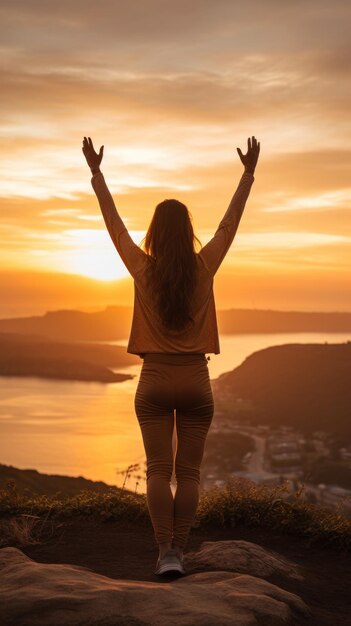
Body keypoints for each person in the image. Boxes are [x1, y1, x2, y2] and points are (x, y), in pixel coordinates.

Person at [82, 135, 260, 576]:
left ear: (155, 234)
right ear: (187, 232)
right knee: (191, 473)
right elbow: (228, 226)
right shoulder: (205, 265)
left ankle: (165, 553)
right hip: (197, 381)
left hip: (154, 380)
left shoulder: (141, 267)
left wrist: (97, 173)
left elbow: (114, 225)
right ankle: (181, 549)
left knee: (159, 469)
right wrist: (248, 174)